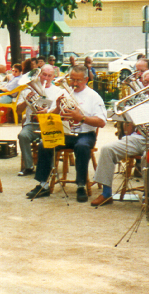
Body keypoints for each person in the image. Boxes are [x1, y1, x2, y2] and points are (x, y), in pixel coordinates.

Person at [91, 69, 149, 207]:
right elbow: (129, 131)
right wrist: (129, 118)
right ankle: (106, 193)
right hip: (139, 137)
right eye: (146, 82)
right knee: (107, 149)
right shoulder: (140, 100)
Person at [28, 65, 107, 200]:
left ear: (86, 79)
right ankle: (43, 184)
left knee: (82, 147)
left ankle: (81, 185)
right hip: (65, 132)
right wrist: (58, 107)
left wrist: (81, 118)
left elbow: (102, 122)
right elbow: (51, 114)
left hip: (85, 134)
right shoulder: (64, 92)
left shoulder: (94, 96)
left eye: (78, 80)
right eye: (72, 80)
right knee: (44, 143)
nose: (74, 84)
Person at [15, 65, 63, 177]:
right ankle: (28, 166)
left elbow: (60, 111)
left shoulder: (58, 91)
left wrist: (48, 111)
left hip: (49, 123)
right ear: (39, 75)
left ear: (53, 77)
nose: (45, 78)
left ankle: (50, 167)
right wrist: (26, 101)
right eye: (44, 75)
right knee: (23, 136)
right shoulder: (27, 90)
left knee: (48, 138)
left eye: (49, 76)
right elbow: (18, 111)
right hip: (32, 124)